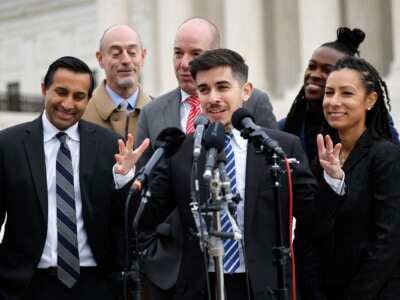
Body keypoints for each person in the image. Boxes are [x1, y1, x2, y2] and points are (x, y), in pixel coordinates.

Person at [131, 48, 318, 300]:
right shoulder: (183, 151)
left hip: (264, 287)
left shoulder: (280, 147)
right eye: (204, 90)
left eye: (222, 87)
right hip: (199, 286)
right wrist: (165, 269)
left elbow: (314, 216)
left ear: (246, 91)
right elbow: (143, 219)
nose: (213, 98)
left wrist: (333, 180)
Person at [0, 56, 148, 300]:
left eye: (78, 97)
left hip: (96, 285)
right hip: (27, 286)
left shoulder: (109, 146)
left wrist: (125, 180)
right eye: (61, 92)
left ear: (88, 100)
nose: (68, 104)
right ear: (43, 89)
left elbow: (127, 222)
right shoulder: (9, 145)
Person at [302, 56, 400, 299]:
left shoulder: (386, 157)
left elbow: (388, 241)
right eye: (329, 93)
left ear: (370, 100)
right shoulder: (321, 159)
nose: (333, 102)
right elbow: (309, 233)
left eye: (346, 93)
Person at [280, 27, 399, 162]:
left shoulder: (372, 123)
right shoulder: (287, 126)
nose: (314, 75)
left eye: (327, 70)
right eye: (312, 66)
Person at [83, 25, 151, 140]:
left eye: (132, 52)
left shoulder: (159, 113)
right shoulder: (82, 113)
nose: (126, 60)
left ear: (143, 57)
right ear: (100, 59)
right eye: (116, 53)